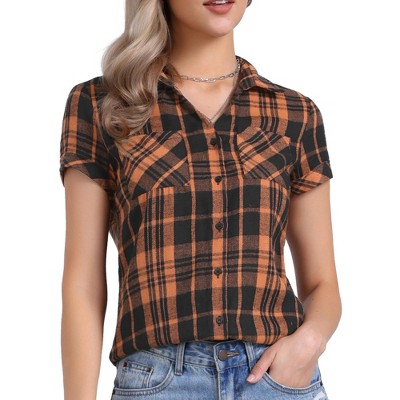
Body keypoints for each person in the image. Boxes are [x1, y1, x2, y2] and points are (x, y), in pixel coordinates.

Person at [59, 0, 342, 399]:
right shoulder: (101, 105)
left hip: (276, 378)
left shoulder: (295, 114)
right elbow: (83, 285)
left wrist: (309, 342)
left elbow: (322, 283)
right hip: (159, 381)